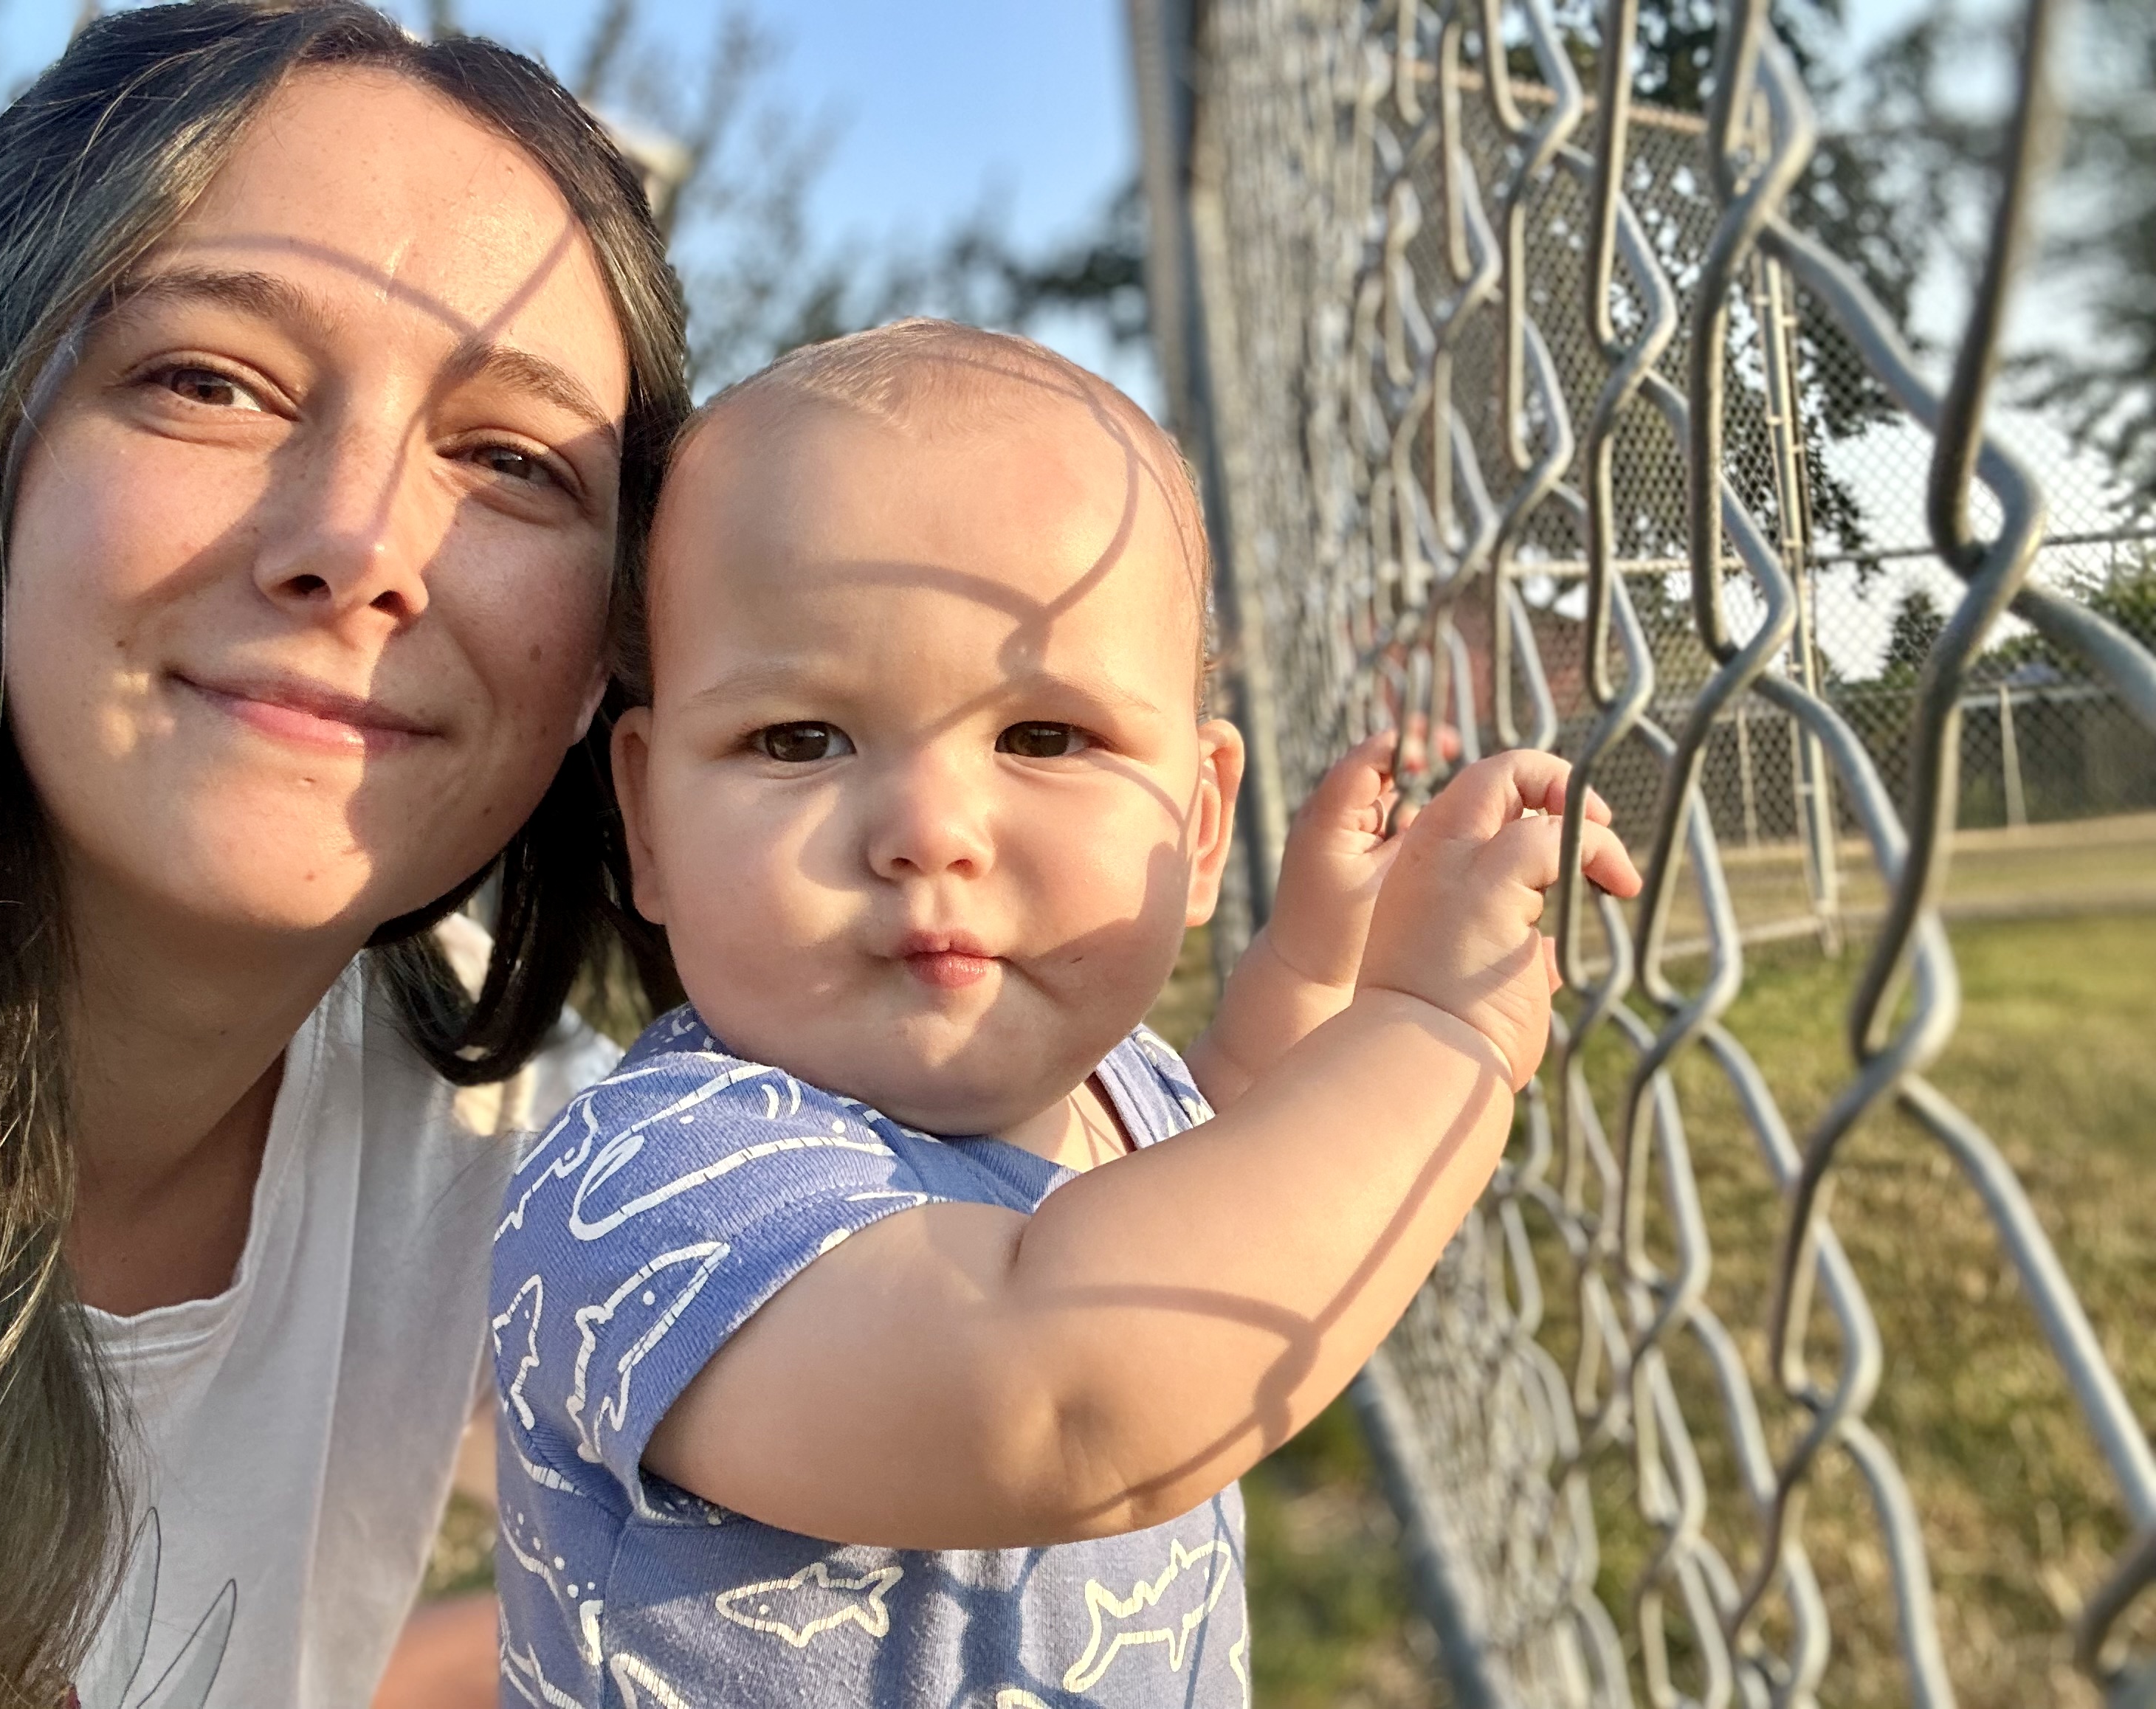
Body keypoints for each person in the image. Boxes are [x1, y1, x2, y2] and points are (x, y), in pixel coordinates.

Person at [491, 320, 1642, 1706]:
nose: (929, 830)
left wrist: (1320, 974)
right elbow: (1063, 1398)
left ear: (1197, 826)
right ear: (649, 817)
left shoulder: (1118, 1082)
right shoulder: (646, 1185)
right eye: (798, 740)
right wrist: (1438, 1041)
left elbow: (1214, 1159)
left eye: (1042, 737)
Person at [0, 4, 689, 1705]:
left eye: (510, 462)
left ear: (606, 658)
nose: (357, 542)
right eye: (209, 381)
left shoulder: (507, 1125)